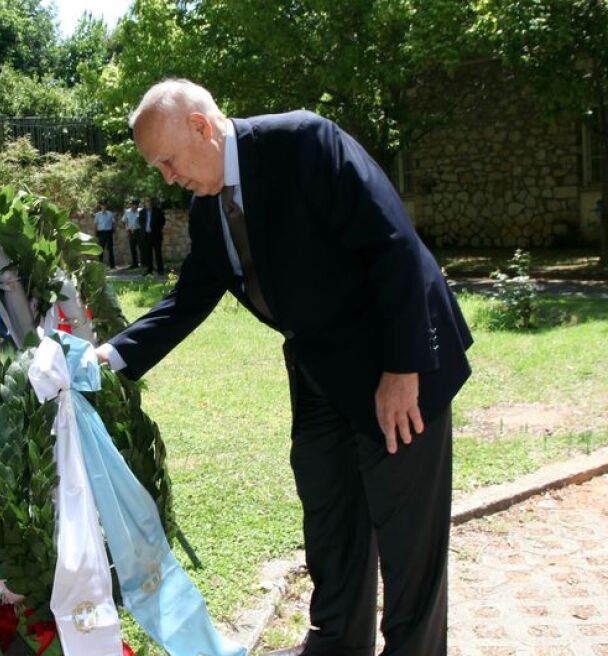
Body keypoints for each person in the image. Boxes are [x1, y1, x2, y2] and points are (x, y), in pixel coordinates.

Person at [96, 79, 472, 656]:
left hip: (394, 366)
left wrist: (402, 371)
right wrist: (110, 357)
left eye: (168, 161)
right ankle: (336, 643)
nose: (167, 177)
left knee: (408, 537)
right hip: (319, 374)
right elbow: (187, 301)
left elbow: (392, 245)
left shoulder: (304, 142)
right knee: (330, 516)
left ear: (201, 126)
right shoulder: (208, 211)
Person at [141, 196, 165, 275]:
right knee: (148, 253)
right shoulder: (142, 212)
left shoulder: (158, 211)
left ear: (151, 202)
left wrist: (157, 229)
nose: (148, 202)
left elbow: (162, 221)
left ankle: (160, 270)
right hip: (146, 235)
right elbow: (141, 222)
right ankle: (149, 269)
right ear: (144, 202)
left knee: (158, 253)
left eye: (149, 200)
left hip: (156, 235)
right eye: (146, 201)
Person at [93, 199, 116, 268]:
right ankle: (100, 264)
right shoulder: (97, 214)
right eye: (102, 205)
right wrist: (95, 233)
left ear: (106, 205)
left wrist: (115, 233)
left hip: (109, 233)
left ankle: (112, 265)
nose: (103, 206)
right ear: (100, 206)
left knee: (110, 249)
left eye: (104, 205)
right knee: (101, 249)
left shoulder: (110, 214)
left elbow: (113, 223)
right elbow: (95, 224)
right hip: (101, 233)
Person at [122, 198, 144, 269]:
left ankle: (143, 263)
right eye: (132, 204)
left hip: (139, 231)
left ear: (137, 205)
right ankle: (135, 264)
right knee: (132, 248)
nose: (133, 206)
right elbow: (124, 221)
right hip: (131, 232)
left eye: (135, 205)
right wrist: (127, 228)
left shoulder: (141, 211)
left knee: (141, 248)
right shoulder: (127, 212)